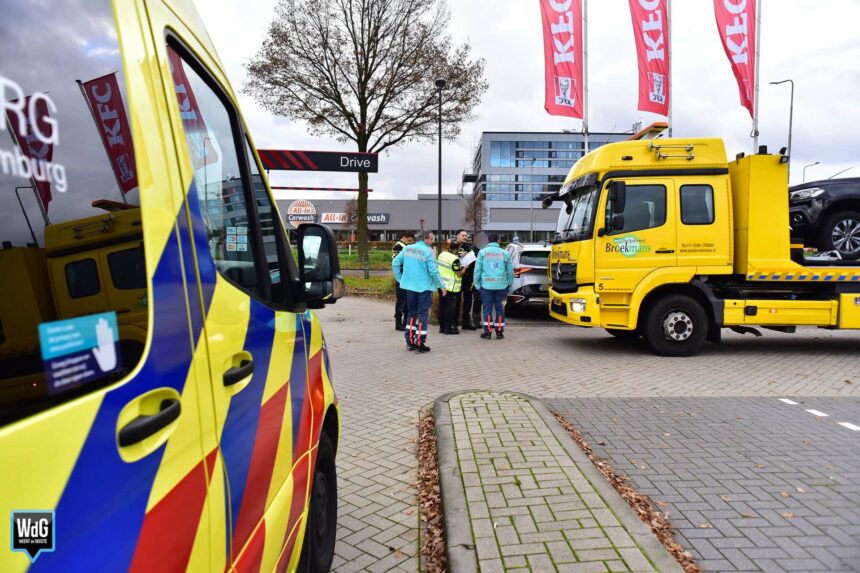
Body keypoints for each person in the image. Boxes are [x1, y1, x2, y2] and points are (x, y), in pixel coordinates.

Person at [392, 230, 446, 352]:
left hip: (410, 287)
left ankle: (410, 341)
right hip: (424, 288)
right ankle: (420, 343)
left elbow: (395, 263)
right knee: (423, 314)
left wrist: (400, 279)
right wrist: (441, 286)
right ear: (426, 238)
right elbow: (433, 271)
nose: (432, 241)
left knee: (411, 313)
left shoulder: (407, 248)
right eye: (432, 239)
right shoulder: (429, 251)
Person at [473, 233, 514, 340]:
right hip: (501, 286)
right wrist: (509, 283)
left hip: (486, 286)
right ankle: (499, 332)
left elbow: (477, 270)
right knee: (500, 308)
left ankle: (488, 332)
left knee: (487, 308)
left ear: (488, 241)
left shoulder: (482, 252)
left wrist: (477, 284)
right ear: (498, 240)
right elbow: (510, 270)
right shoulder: (504, 253)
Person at [437, 240, 466, 334]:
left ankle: (442, 327)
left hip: (441, 286)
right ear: (457, 249)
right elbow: (459, 273)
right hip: (451, 287)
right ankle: (448, 328)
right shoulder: (455, 260)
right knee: (449, 308)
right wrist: (465, 267)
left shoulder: (442, 254)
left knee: (442, 306)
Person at [454, 229, 479, 330]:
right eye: (463, 235)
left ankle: (466, 322)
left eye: (466, 235)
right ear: (457, 236)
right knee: (456, 301)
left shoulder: (468, 247)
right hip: (456, 277)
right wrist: (457, 255)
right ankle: (454, 323)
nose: (465, 237)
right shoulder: (452, 246)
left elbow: (473, 260)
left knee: (468, 300)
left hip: (468, 278)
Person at [391, 231, 415, 331]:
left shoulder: (404, 246)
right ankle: (398, 323)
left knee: (406, 300)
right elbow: (397, 262)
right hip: (401, 277)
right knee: (401, 300)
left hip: (405, 277)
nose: (410, 242)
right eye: (409, 240)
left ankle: (406, 322)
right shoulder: (399, 246)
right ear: (405, 237)